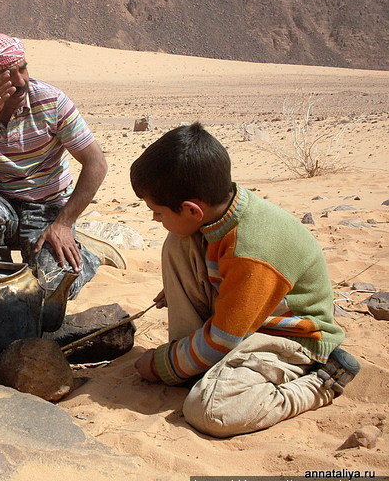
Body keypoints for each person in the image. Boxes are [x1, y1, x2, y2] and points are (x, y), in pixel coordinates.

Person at [130, 122, 360, 437]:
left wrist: (160, 365)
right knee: (178, 242)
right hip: (244, 320)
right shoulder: (223, 210)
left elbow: (225, 336)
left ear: (192, 210)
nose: (155, 219)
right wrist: (183, 284)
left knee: (209, 410)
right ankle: (192, 366)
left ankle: (321, 384)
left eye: (157, 213)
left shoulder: (251, 250)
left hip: (292, 337)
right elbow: (220, 271)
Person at [0, 33, 125, 299]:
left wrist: (64, 223)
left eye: (23, 68)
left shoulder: (51, 101)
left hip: (47, 208)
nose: (21, 82)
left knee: (51, 288)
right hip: (0, 207)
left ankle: (87, 254)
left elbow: (96, 163)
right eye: (8, 75)